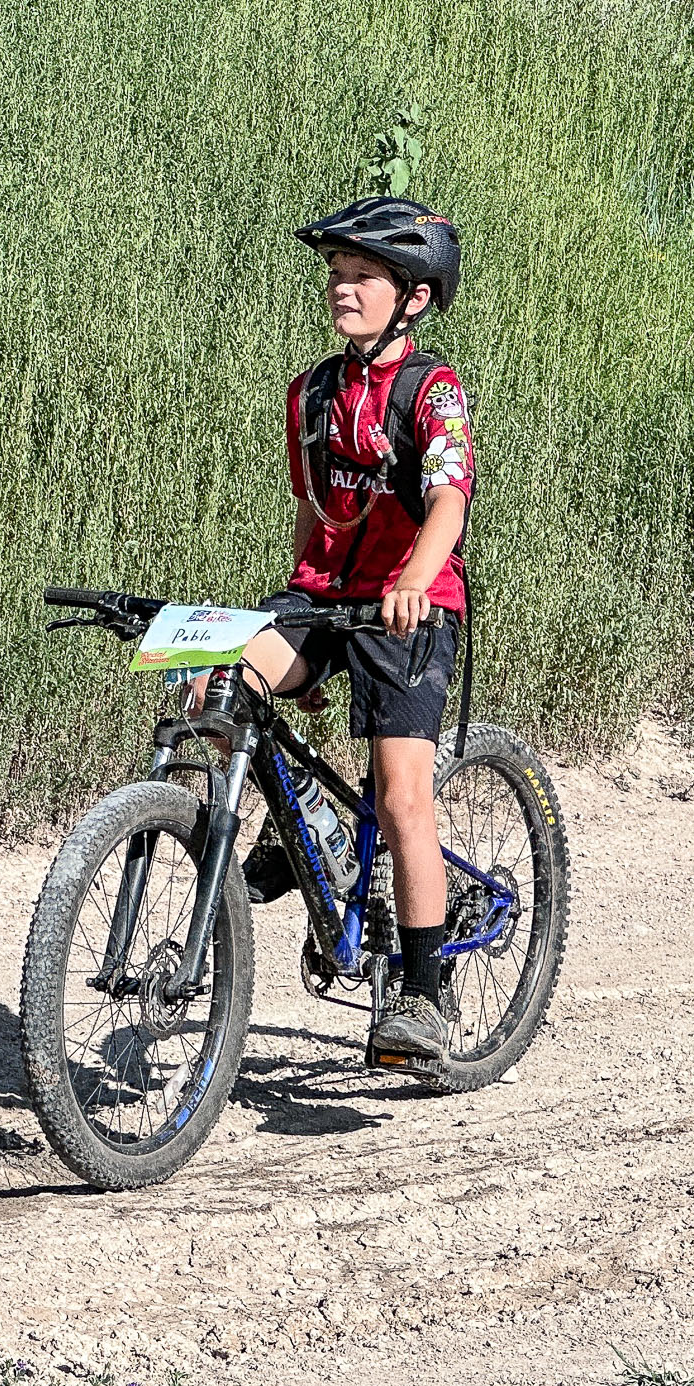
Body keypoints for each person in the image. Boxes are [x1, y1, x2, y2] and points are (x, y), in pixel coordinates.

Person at [220, 196, 474, 1060]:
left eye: (364, 275)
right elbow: (313, 507)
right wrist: (292, 600)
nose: (342, 287)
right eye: (336, 272)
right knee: (218, 685)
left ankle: (423, 995)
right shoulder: (313, 393)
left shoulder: (433, 391)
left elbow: (448, 501)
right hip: (324, 597)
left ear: (414, 298)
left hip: (410, 605)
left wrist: (412, 581)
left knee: (402, 797)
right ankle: (305, 830)